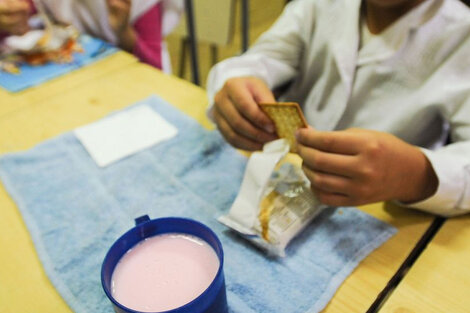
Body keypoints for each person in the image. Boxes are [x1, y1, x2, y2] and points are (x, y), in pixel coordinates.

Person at [207, 0, 470, 216]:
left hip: (381, 217)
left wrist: (417, 176)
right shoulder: (317, 6)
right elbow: (263, 58)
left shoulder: (461, 37)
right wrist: (234, 86)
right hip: (282, 179)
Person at [0, 0, 183, 71]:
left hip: (125, 84)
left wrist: (123, 31)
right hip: (71, 82)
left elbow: (154, 69)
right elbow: (20, 22)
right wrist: (10, 20)